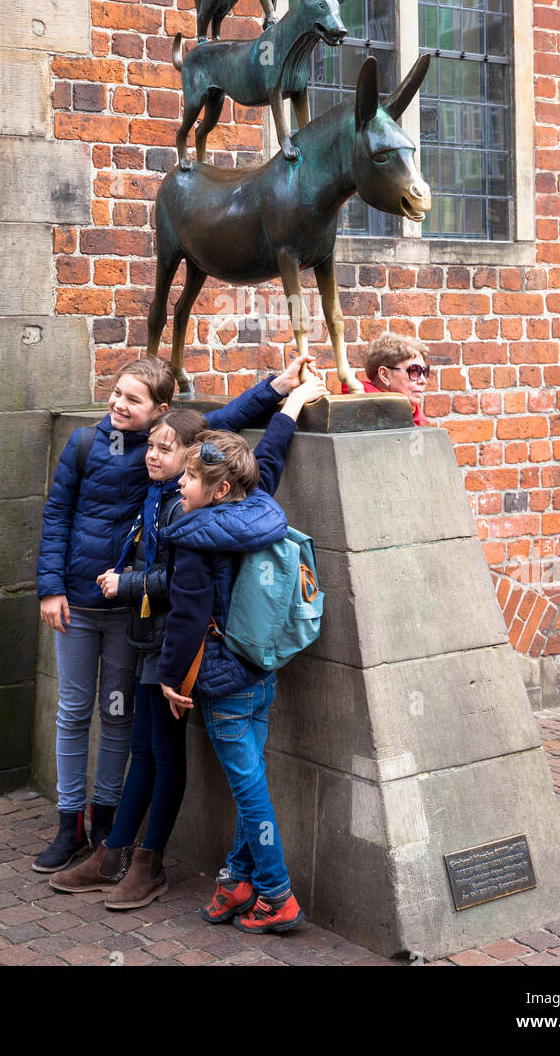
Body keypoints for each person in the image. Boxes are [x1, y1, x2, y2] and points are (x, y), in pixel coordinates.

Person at [44, 359, 317, 906]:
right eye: (155, 447)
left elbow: (183, 591)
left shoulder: (188, 511)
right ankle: (119, 850)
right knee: (146, 751)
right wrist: (281, 397)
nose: (154, 455)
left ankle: (152, 863)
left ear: (200, 474)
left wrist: (129, 585)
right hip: (156, 642)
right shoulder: (175, 484)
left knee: (168, 758)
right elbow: (254, 449)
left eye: (171, 454)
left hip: (175, 651)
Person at [154, 369, 329, 935]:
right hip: (261, 669)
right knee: (249, 777)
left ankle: (276, 894)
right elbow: (268, 457)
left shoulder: (194, 537)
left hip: (223, 680)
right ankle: (236, 879)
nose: (180, 485)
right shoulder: (256, 508)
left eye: (188, 479)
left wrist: (171, 678)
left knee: (249, 788)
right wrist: (290, 405)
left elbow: (184, 619)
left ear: (218, 489)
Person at [342, 332, 435, 426]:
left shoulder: (413, 415)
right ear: (384, 375)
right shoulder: (359, 415)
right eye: (414, 371)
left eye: (424, 371)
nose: (423, 381)